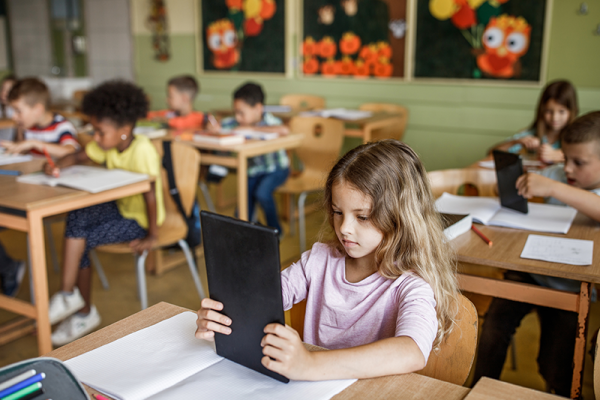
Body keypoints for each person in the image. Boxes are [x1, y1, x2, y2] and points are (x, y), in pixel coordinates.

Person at [196, 140, 460, 381]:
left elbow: (411, 351)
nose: (344, 227)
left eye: (362, 217)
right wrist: (225, 313)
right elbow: (266, 295)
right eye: (337, 211)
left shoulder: (410, 285)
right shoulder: (319, 260)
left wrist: (310, 364)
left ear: (401, 217)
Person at [473, 111, 600, 396]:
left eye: (579, 162)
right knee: (493, 331)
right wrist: (508, 185)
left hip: (570, 287)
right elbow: (524, 185)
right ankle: (478, 388)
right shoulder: (556, 173)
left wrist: (554, 187)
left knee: (556, 363)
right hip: (528, 271)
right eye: (565, 158)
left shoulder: (558, 180)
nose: (568, 168)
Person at [44, 81, 165, 346]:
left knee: (82, 240)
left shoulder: (142, 149)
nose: (95, 138)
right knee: (77, 215)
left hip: (141, 219)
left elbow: (150, 195)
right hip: (120, 208)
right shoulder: (109, 144)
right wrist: (56, 166)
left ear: (123, 131)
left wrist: (153, 236)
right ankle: (68, 295)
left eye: (100, 132)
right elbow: (77, 156)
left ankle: (83, 310)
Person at [214, 82, 289, 235]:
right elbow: (220, 127)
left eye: (241, 113)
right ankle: (256, 229)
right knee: (242, 212)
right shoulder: (235, 123)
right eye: (235, 112)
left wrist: (251, 128)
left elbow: (284, 130)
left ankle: (275, 231)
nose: (237, 117)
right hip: (253, 172)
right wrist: (215, 129)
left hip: (276, 170)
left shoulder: (270, 121)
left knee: (262, 193)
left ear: (258, 109)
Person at [489, 80, 578, 164]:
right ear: (542, 111)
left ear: (572, 111)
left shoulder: (577, 139)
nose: (555, 118)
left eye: (561, 111)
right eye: (549, 111)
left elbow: (582, 159)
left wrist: (559, 155)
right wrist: (516, 142)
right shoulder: (532, 134)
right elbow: (491, 154)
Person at [0, 77, 79, 157]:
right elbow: (26, 151)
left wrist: (33, 143)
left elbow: (70, 152)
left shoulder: (62, 126)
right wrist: (16, 146)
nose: (14, 117)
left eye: (18, 111)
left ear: (37, 110)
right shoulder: (29, 127)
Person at [147, 75, 212, 130]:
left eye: (170, 96)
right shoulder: (170, 113)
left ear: (184, 98)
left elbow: (185, 122)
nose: (166, 100)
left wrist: (166, 120)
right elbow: (151, 115)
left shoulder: (203, 118)